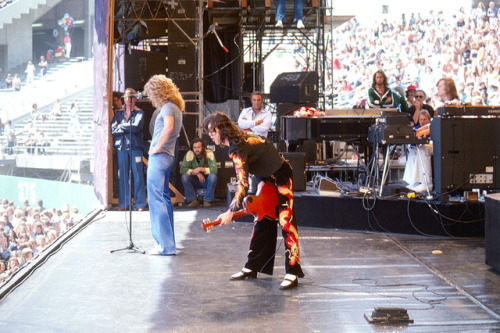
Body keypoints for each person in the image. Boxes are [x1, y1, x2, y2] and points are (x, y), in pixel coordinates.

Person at [204, 112, 305, 290]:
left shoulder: (237, 147)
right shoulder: (238, 140)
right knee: (262, 218)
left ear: (222, 128)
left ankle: (292, 271)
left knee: (285, 220)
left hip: (281, 174)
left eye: (212, 131)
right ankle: (253, 267)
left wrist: (230, 212)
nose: (210, 135)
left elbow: (242, 183)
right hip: (265, 176)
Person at [143, 74, 184, 256]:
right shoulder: (175, 107)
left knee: (156, 199)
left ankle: (164, 246)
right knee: (164, 199)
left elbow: (168, 128)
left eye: (150, 94)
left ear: (158, 91)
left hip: (160, 157)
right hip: (168, 157)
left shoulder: (167, 107)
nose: (150, 98)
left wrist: (157, 147)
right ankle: (169, 244)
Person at [110, 88, 147, 211]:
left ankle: (140, 203)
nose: (128, 100)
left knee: (138, 175)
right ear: (124, 99)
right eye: (126, 97)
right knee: (123, 176)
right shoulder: (118, 114)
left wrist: (122, 126)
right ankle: (123, 204)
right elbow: (113, 130)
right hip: (121, 147)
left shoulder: (139, 113)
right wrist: (126, 127)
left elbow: (136, 127)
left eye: (131, 97)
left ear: (134, 99)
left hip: (135, 147)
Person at [180, 137, 218, 207]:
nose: (196, 149)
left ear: (203, 147)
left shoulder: (209, 153)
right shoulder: (189, 154)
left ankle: (208, 200)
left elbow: (214, 169)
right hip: (194, 181)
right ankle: (193, 200)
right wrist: (197, 173)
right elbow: (182, 169)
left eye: (199, 147)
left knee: (213, 177)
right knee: (184, 177)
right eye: (194, 147)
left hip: (205, 181)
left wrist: (201, 169)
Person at [403, 110, 433, 193]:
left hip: (433, 146)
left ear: (429, 120)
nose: (423, 122)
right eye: (421, 119)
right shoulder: (415, 129)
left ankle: (427, 183)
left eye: (425, 119)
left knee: (422, 149)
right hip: (420, 146)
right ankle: (414, 181)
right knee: (413, 151)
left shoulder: (433, 126)